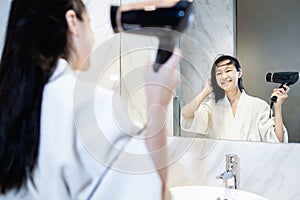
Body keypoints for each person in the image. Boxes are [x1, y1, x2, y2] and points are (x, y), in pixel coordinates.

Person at [0, 0, 180, 199]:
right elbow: (149, 192)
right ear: (72, 22)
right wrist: (158, 102)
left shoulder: (11, 105)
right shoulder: (88, 106)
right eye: (88, 21)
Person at [181, 55, 289, 143]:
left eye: (228, 70)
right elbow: (186, 114)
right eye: (218, 73)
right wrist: (206, 90)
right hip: (220, 165)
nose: (223, 76)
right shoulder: (212, 107)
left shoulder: (258, 106)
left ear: (239, 73)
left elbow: (278, 140)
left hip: (251, 165)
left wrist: (277, 108)